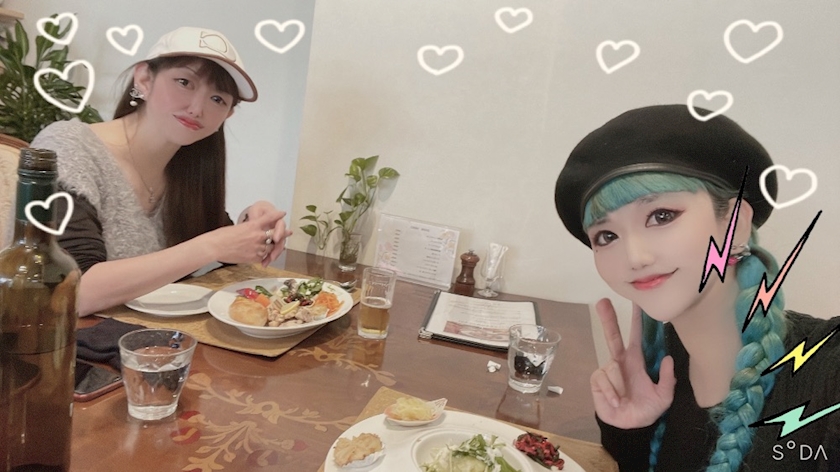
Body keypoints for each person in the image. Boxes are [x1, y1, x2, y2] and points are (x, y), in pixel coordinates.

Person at [554, 105, 840, 471]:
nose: (635, 257)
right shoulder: (663, 363)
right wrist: (629, 432)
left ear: (735, 223)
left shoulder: (827, 372)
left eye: (661, 216)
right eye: (606, 236)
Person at [30, 27, 291, 316]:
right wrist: (210, 246)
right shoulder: (68, 147)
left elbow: (223, 247)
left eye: (218, 99)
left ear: (227, 114)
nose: (197, 108)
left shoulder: (188, 167)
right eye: (184, 82)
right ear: (144, 79)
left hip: (148, 339)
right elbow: (69, 294)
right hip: (56, 339)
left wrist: (254, 222)